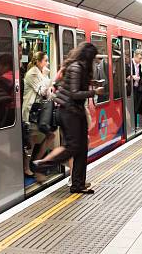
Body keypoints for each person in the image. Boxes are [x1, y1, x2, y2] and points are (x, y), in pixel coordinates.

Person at [32, 42, 104, 194]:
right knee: (72, 146)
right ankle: (43, 164)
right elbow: (74, 93)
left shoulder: (78, 67)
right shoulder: (77, 67)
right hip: (69, 112)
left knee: (82, 148)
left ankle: (78, 184)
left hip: (75, 111)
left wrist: (91, 83)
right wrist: (94, 92)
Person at [22, 51, 56, 180]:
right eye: (45, 60)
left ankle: (36, 163)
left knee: (49, 136)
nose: (47, 63)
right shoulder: (32, 74)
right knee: (30, 141)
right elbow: (42, 91)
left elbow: (47, 94)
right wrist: (47, 77)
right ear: (38, 62)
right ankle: (28, 167)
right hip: (31, 112)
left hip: (40, 112)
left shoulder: (40, 74)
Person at [132, 49, 142, 128]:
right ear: (135, 56)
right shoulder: (130, 64)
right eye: (139, 58)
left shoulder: (139, 65)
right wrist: (132, 77)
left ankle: (139, 125)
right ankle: (133, 126)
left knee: (138, 107)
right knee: (134, 108)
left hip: (138, 89)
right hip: (132, 89)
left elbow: (140, 75)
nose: (140, 61)